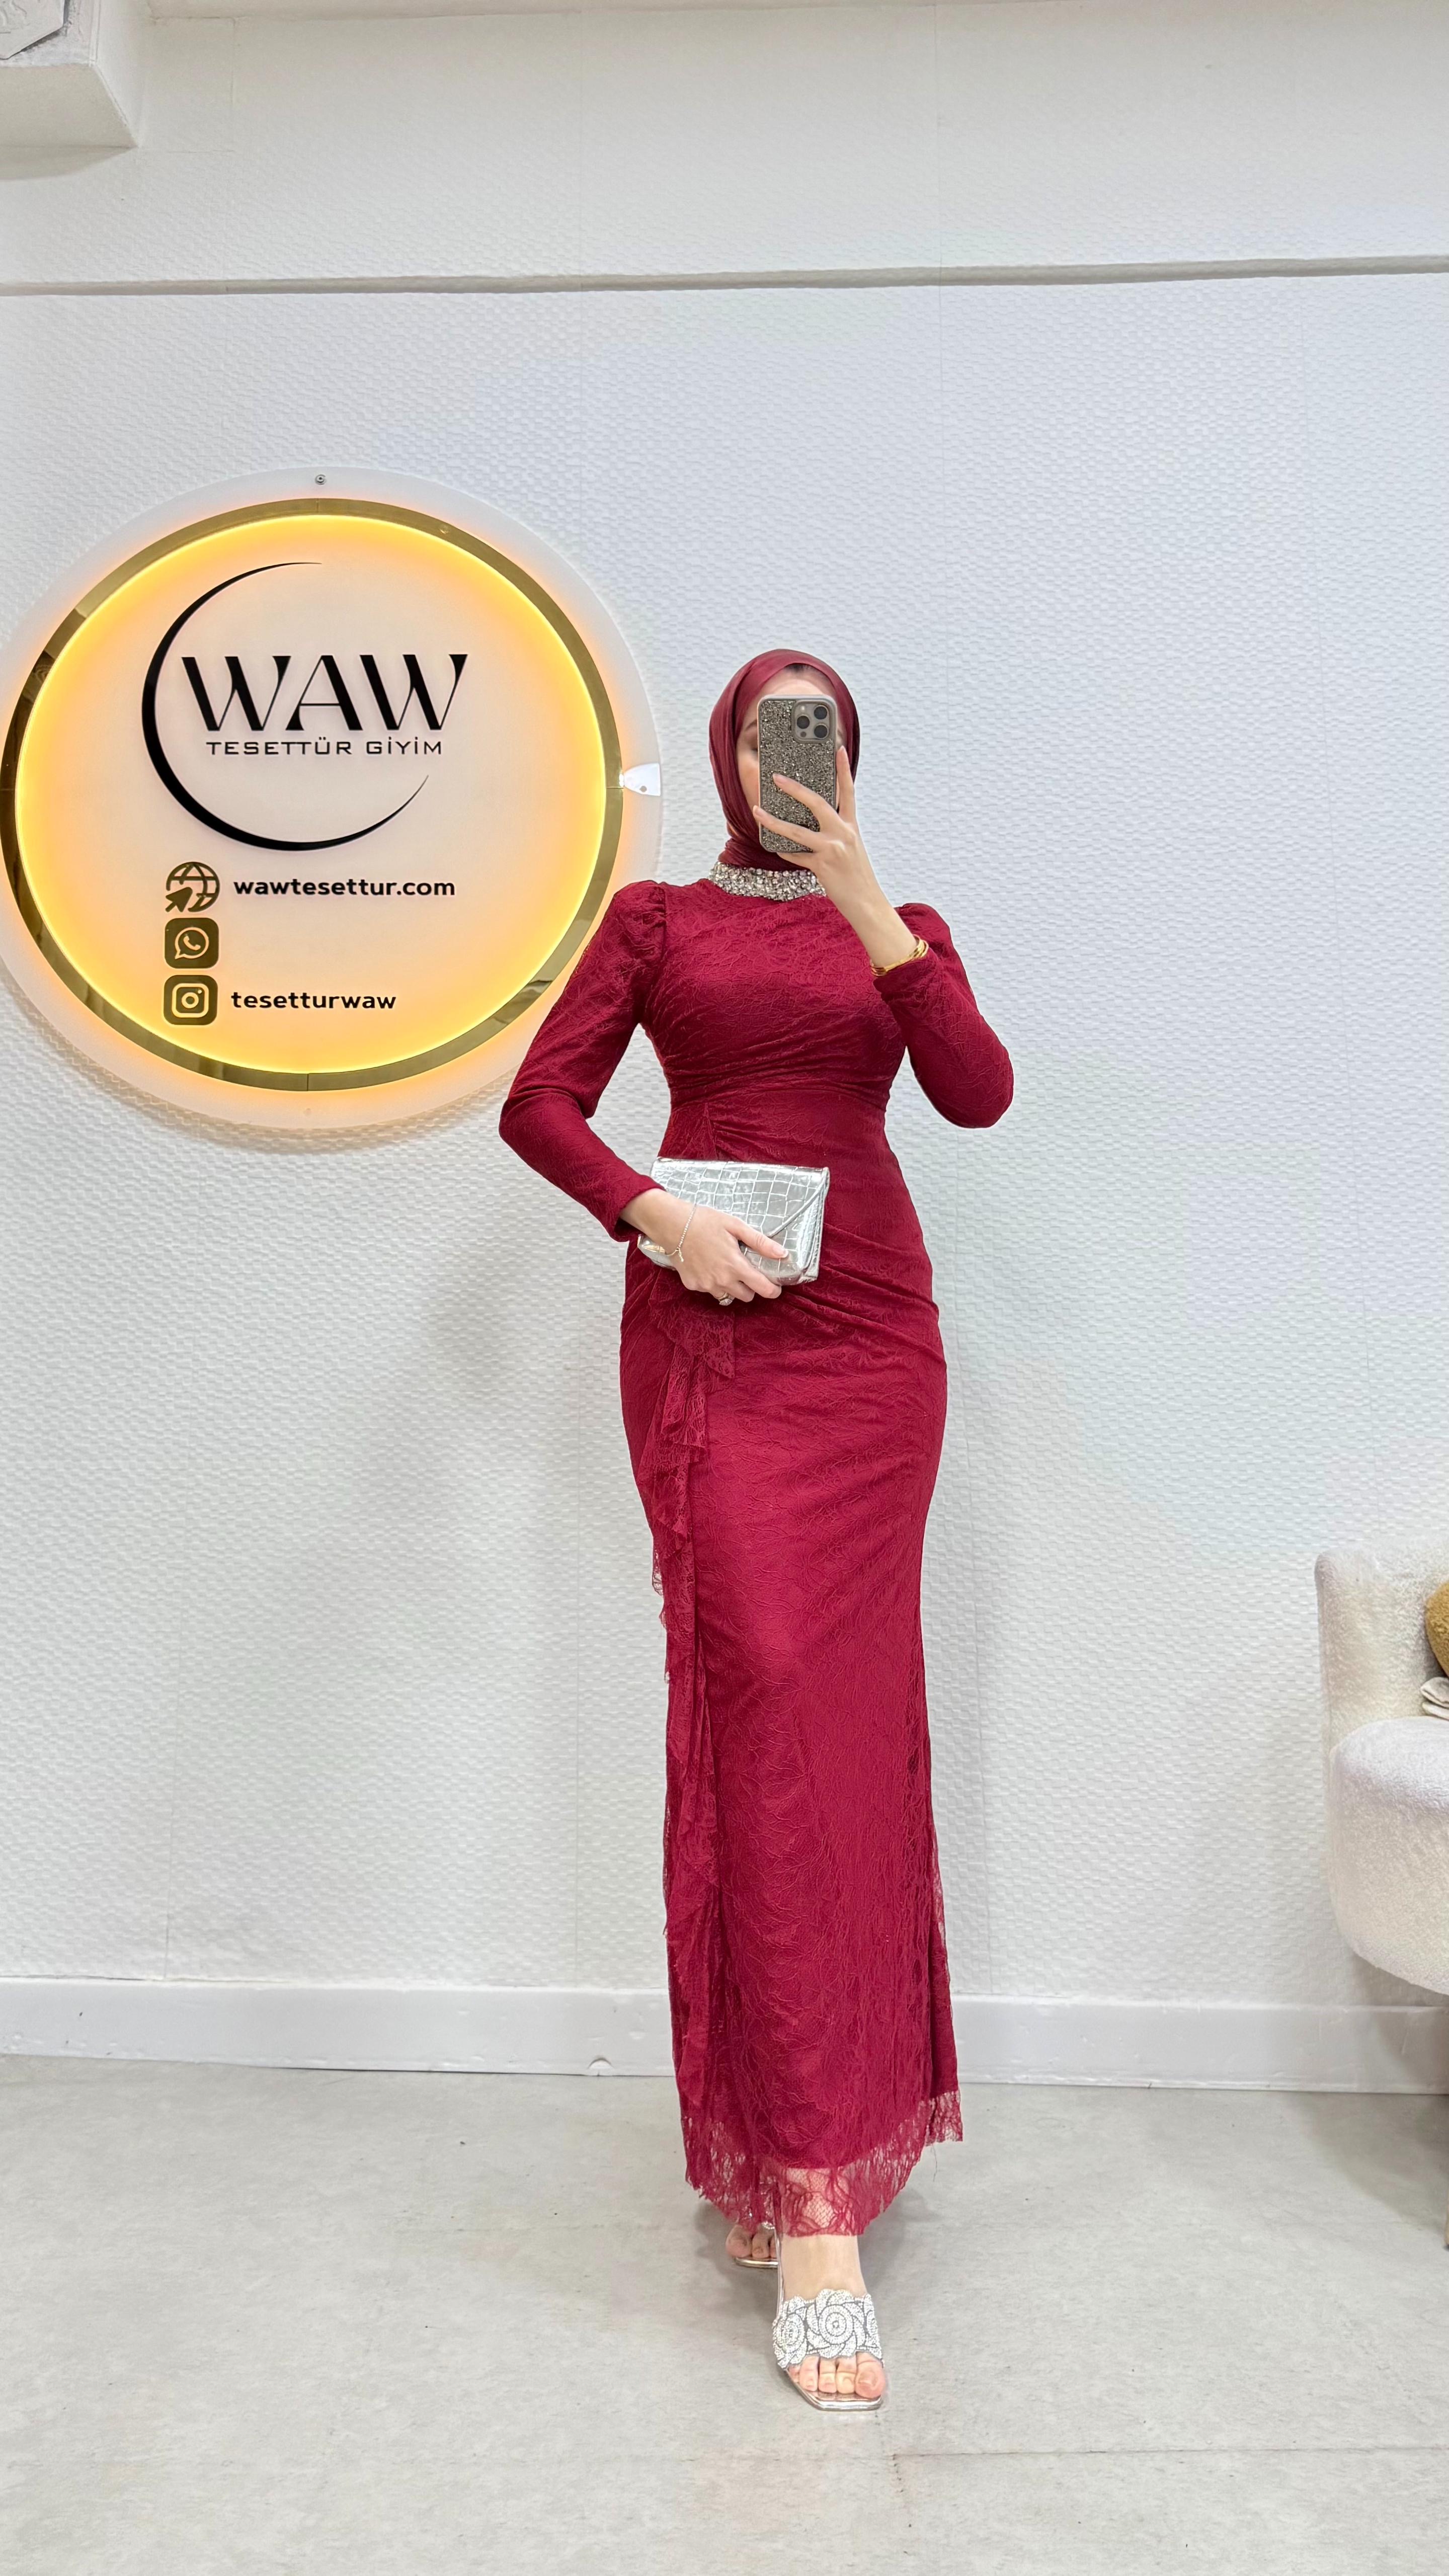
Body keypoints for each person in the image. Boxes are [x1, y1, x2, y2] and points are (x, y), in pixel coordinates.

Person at [499, 650, 1013, 2410]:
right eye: (768, 731)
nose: (792, 759)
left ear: (850, 758)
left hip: (871, 1340)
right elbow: (540, 1103)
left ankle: (813, 2154)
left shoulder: (904, 922)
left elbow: (975, 1092)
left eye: (823, 735)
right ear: (724, 751)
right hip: (713, 1333)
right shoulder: (655, 922)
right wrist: (658, 1218)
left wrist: (866, 895)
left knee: (849, 1730)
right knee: (763, 1700)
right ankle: (799, 2187)